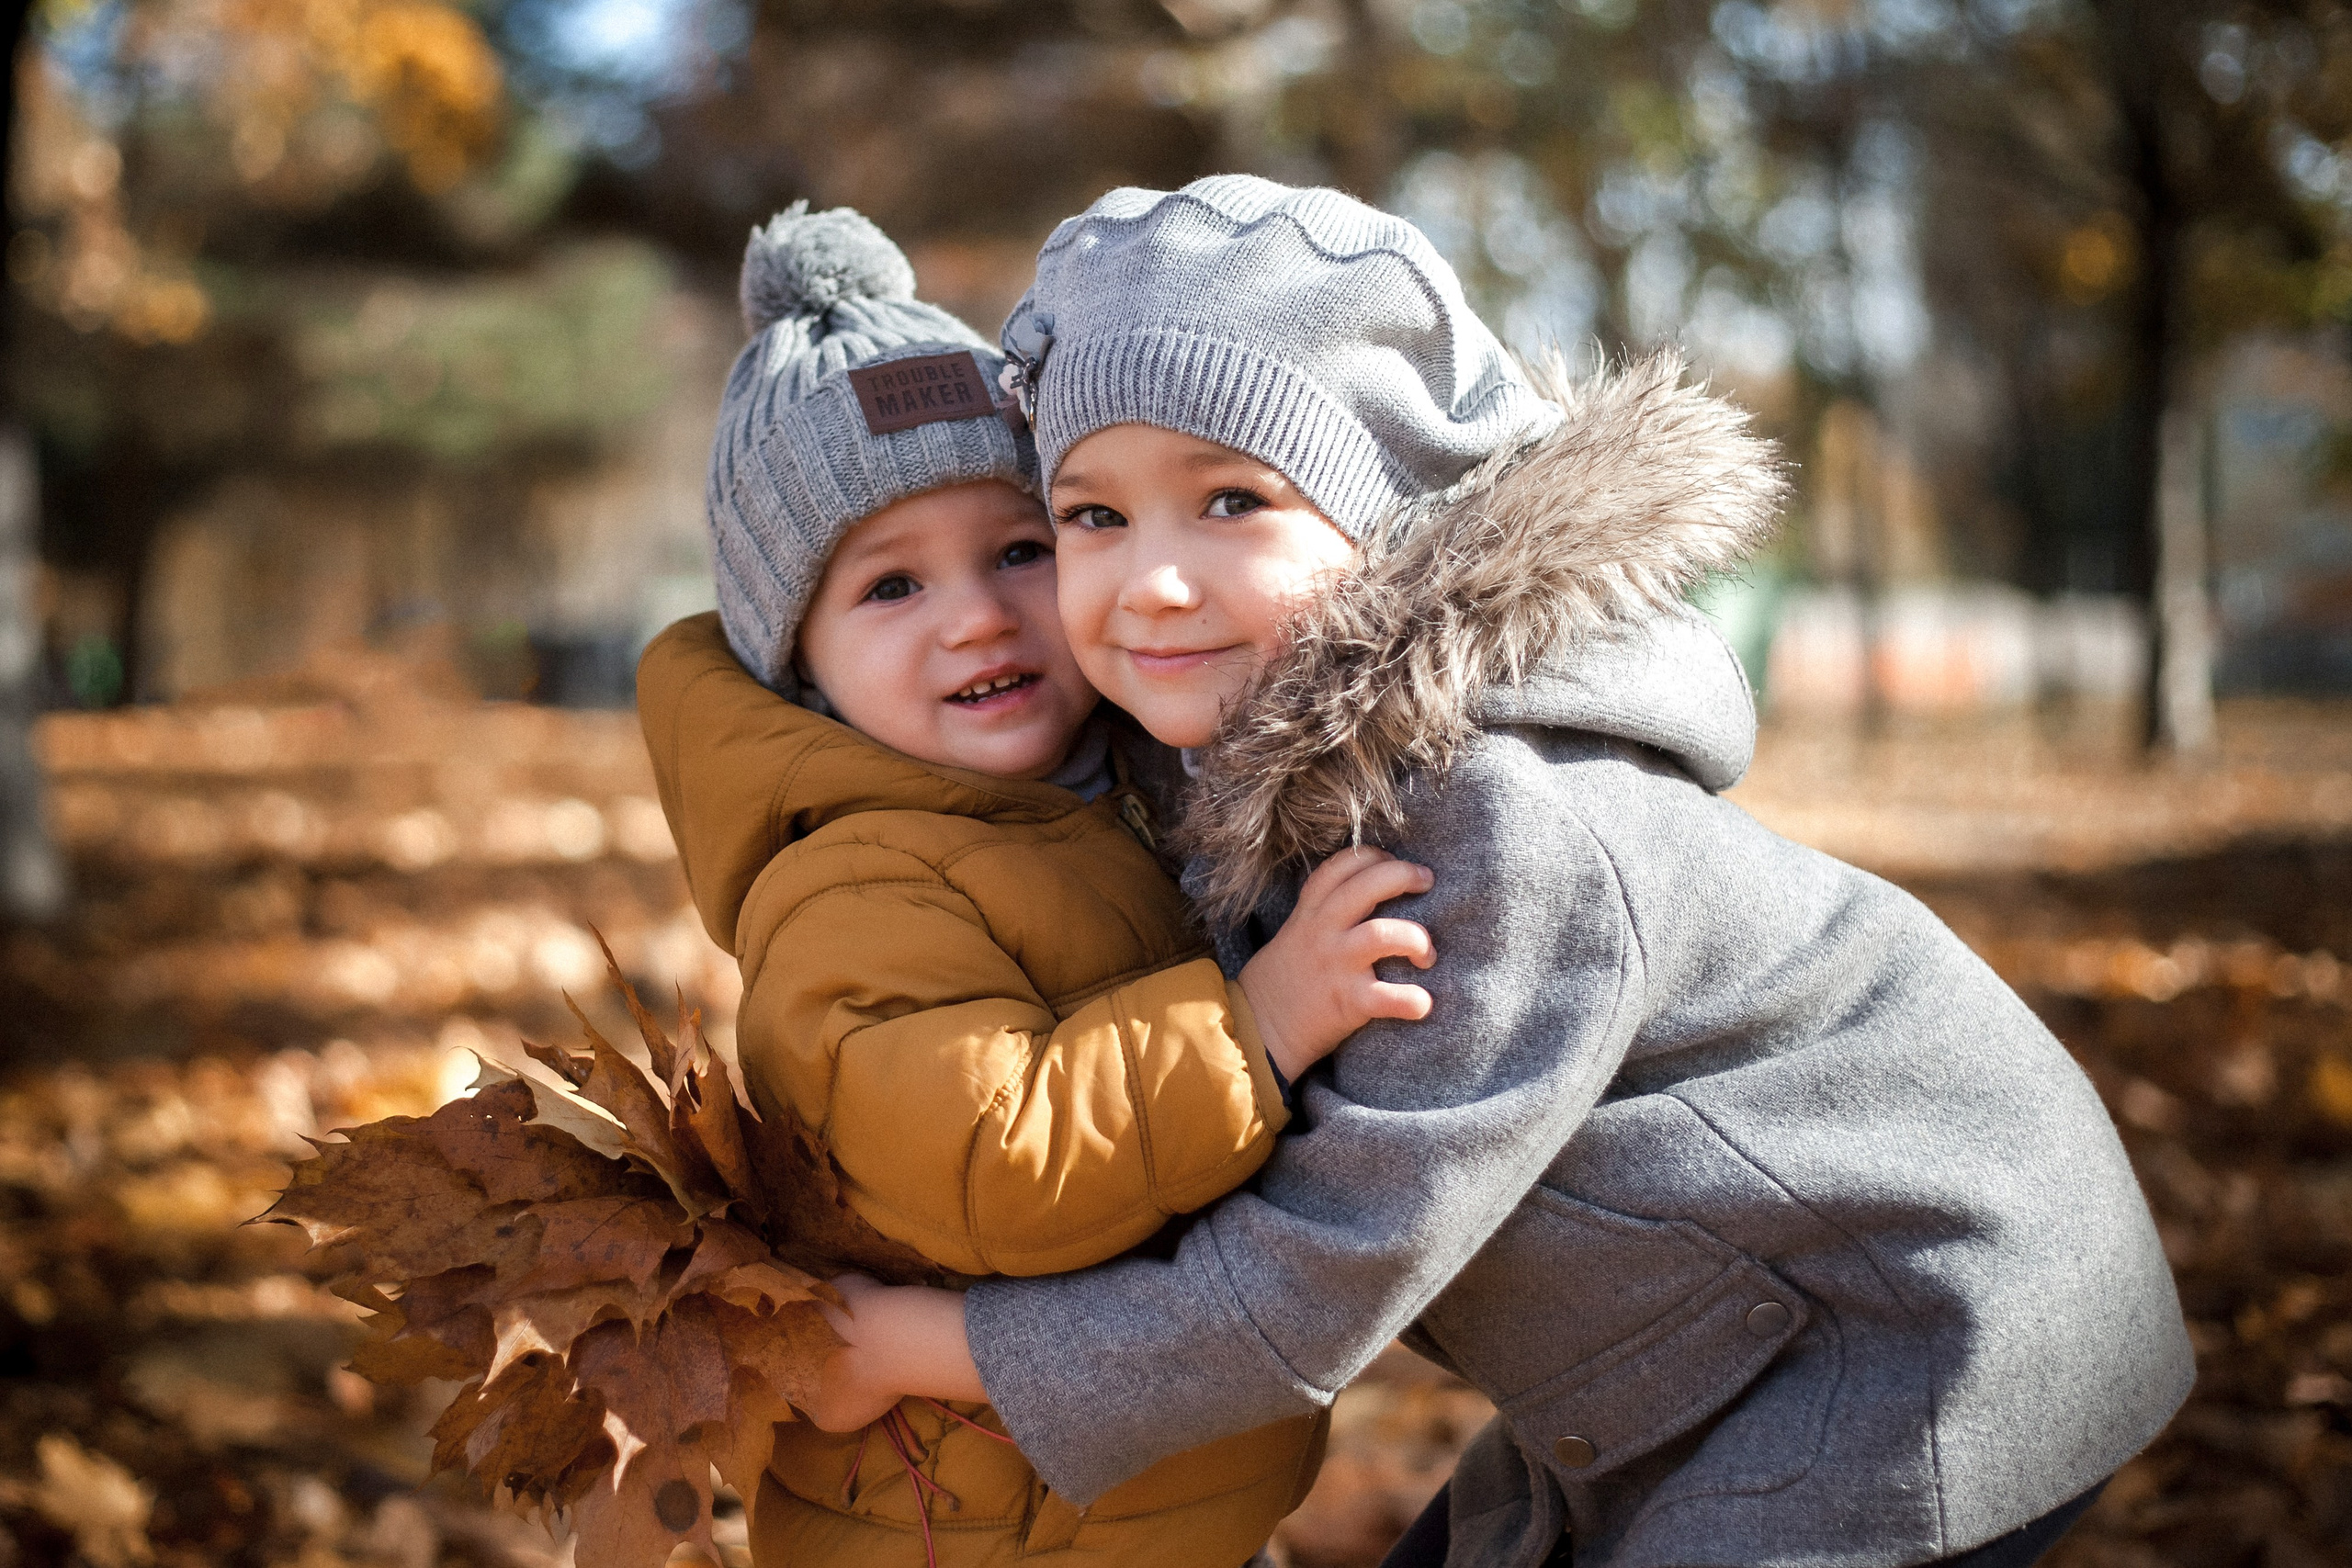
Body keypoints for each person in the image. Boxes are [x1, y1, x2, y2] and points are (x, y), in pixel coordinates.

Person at [796, 176, 2197, 1568]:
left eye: (1231, 499)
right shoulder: (1202, 751)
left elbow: (1322, 1270)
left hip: (1913, 1319)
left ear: (1387, 518)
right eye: (1092, 517)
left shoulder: (1491, 820)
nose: (1149, 582)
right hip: (1682, 1329)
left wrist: (927, 1347)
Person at [636, 202, 1439, 1568]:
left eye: (1019, 550)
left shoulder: (1097, 794)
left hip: (1109, 1498)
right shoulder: (855, 885)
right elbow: (996, 1161)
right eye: (890, 588)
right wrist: (1257, 1026)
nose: (977, 615)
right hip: (974, 1526)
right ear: (799, 665)